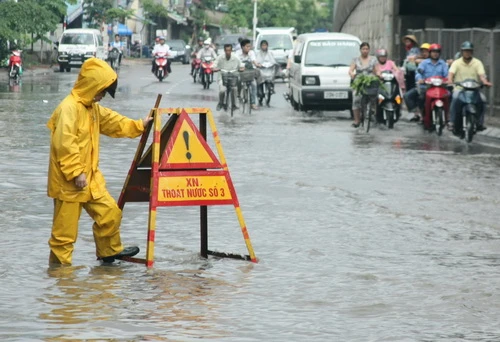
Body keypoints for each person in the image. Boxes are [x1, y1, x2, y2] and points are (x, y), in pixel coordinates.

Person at [46, 57, 152, 265]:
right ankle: (60, 280)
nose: (103, 96)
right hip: (69, 183)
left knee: (110, 213)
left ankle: (109, 252)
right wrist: (76, 172)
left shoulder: (91, 108)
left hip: (90, 179)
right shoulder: (68, 109)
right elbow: (64, 145)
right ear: (92, 86)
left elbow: (114, 122)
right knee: (64, 236)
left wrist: (140, 125)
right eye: (102, 91)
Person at [447, 41, 492, 132]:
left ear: (472, 52)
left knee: (483, 99)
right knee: (455, 98)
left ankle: (480, 122)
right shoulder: (456, 63)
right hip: (459, 89)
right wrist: (450, 81)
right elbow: (451, 73)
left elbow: (482, 75)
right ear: (462, 52)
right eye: (465, 51)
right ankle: (452, 121)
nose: (467, 53)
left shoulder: (477, 62)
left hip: (474, 90)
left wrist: (485, 82)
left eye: (469, 51)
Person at [403, 43, 448, 124]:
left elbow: (446, 75)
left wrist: (448, 80)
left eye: (437, 52)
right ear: (430, 52)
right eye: (433, 52)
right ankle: (420, 114)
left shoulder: (443, 64)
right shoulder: (424, 63)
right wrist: (420, 79)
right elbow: (418, 72)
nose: (435, 54)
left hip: (440, 87)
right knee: (418, 97)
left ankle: (449, 118)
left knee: (449, 96)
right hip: (426, 87)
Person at [348, 42, 378, 127]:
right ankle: (356, 120)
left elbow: (377, 70)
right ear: (360, 50)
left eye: (366, 49)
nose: (365, 51)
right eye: (363, 49)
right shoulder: (355, 59)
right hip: (359, 81)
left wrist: (379, 74)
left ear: (369, 50)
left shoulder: (373, 59)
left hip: (370, 80)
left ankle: (373, 112)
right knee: (356, 99)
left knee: (374, 96)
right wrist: (352, 74)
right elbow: (351, 70)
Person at [212, 44, 245, 111]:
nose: (228, 52)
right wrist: (215, 69)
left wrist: (241, 68)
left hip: (233, 77)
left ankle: (234, 104)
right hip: (222, 77)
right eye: (226, 50)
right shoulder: (220, 57)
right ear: (224, 51)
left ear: (231, 50)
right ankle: (220, 103)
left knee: (234, 89)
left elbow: (241, 65)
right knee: (222, 90)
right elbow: (214, 65)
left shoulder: (235, 58)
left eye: (229, 50)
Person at [235, 38, 259, 110]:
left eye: (249, 46)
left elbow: (254, 60)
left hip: (249, 72)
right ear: (242, 47)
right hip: (241, 72)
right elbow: (236, 62)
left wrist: (257, 64)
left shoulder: (251, 53)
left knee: (254, 84)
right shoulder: (237, 53)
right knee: (238, 80)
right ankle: (238, 94)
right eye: (247, 46)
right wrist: (239, 68)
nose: (249, 48)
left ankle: (253, 103)